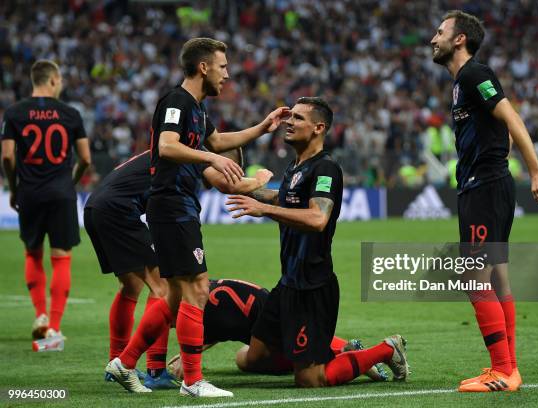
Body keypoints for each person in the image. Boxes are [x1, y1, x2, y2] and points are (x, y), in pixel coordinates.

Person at [105, 37, 289, 397]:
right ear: (203, 67)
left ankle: (124, 362)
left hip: (180, 206)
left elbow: (219, 142)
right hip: (171, 206)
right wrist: (210, 159)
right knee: (198, 287)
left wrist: (261, 127)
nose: (227, 74)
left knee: (175, 297)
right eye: (222, 66)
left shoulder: (198, 109)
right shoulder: (177, 100)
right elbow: (167, 146)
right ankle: (192, 381)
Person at [226, 97, 409, 388]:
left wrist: (264, 210)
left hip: (312, 288)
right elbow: (282, 198)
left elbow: (317, 218)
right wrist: (250, 192)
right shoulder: (296, 167)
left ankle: (385, 350)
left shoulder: (326, 169)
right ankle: (331, 350)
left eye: (298, 118)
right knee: (250, 358)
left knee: (310, 380)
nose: (289, 121)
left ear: (318, 128)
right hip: (287, 284)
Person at [430, 11, 538, 392]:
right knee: (497, 277)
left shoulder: (472, 75)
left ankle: (500, 369)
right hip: (486, 184)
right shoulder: (460, 83)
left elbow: (511, 117)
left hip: (483, 187)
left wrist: (535, 171)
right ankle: (510, 369)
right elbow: (501, 125)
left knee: (474, 277)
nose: (433, 39)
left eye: (440, 32)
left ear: (459, 39)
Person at [86, 148, 273, 389]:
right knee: (163, 288)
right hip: (119, 211)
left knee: (130, 285)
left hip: (97, 206)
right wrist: (259, 179)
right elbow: (228, 185)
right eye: (231, 167)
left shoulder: (181, 151)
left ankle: (116, 362)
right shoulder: (192, 154)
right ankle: (154, 370)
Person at [1, 60, 91, 344]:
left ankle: (40, 314)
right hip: (61, 193)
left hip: (29, 192)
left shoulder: (14, 113)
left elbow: (6, 156)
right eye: (60, 79)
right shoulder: (71, 114)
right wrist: (70, 183)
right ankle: (53, 328)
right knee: (62, 256)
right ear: (53, 80)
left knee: (33, 253)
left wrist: (14, 187)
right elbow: (86, 159)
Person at [165, 278, 388, 382]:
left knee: (255, 360)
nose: (171, 326)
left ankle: (346, 354)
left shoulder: (200, 311)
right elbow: (222, 323)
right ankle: (344, 349)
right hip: (271, 308)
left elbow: (217, 327)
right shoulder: (201, 291)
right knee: (243, 358)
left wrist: (189, 358)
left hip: (274, 320)